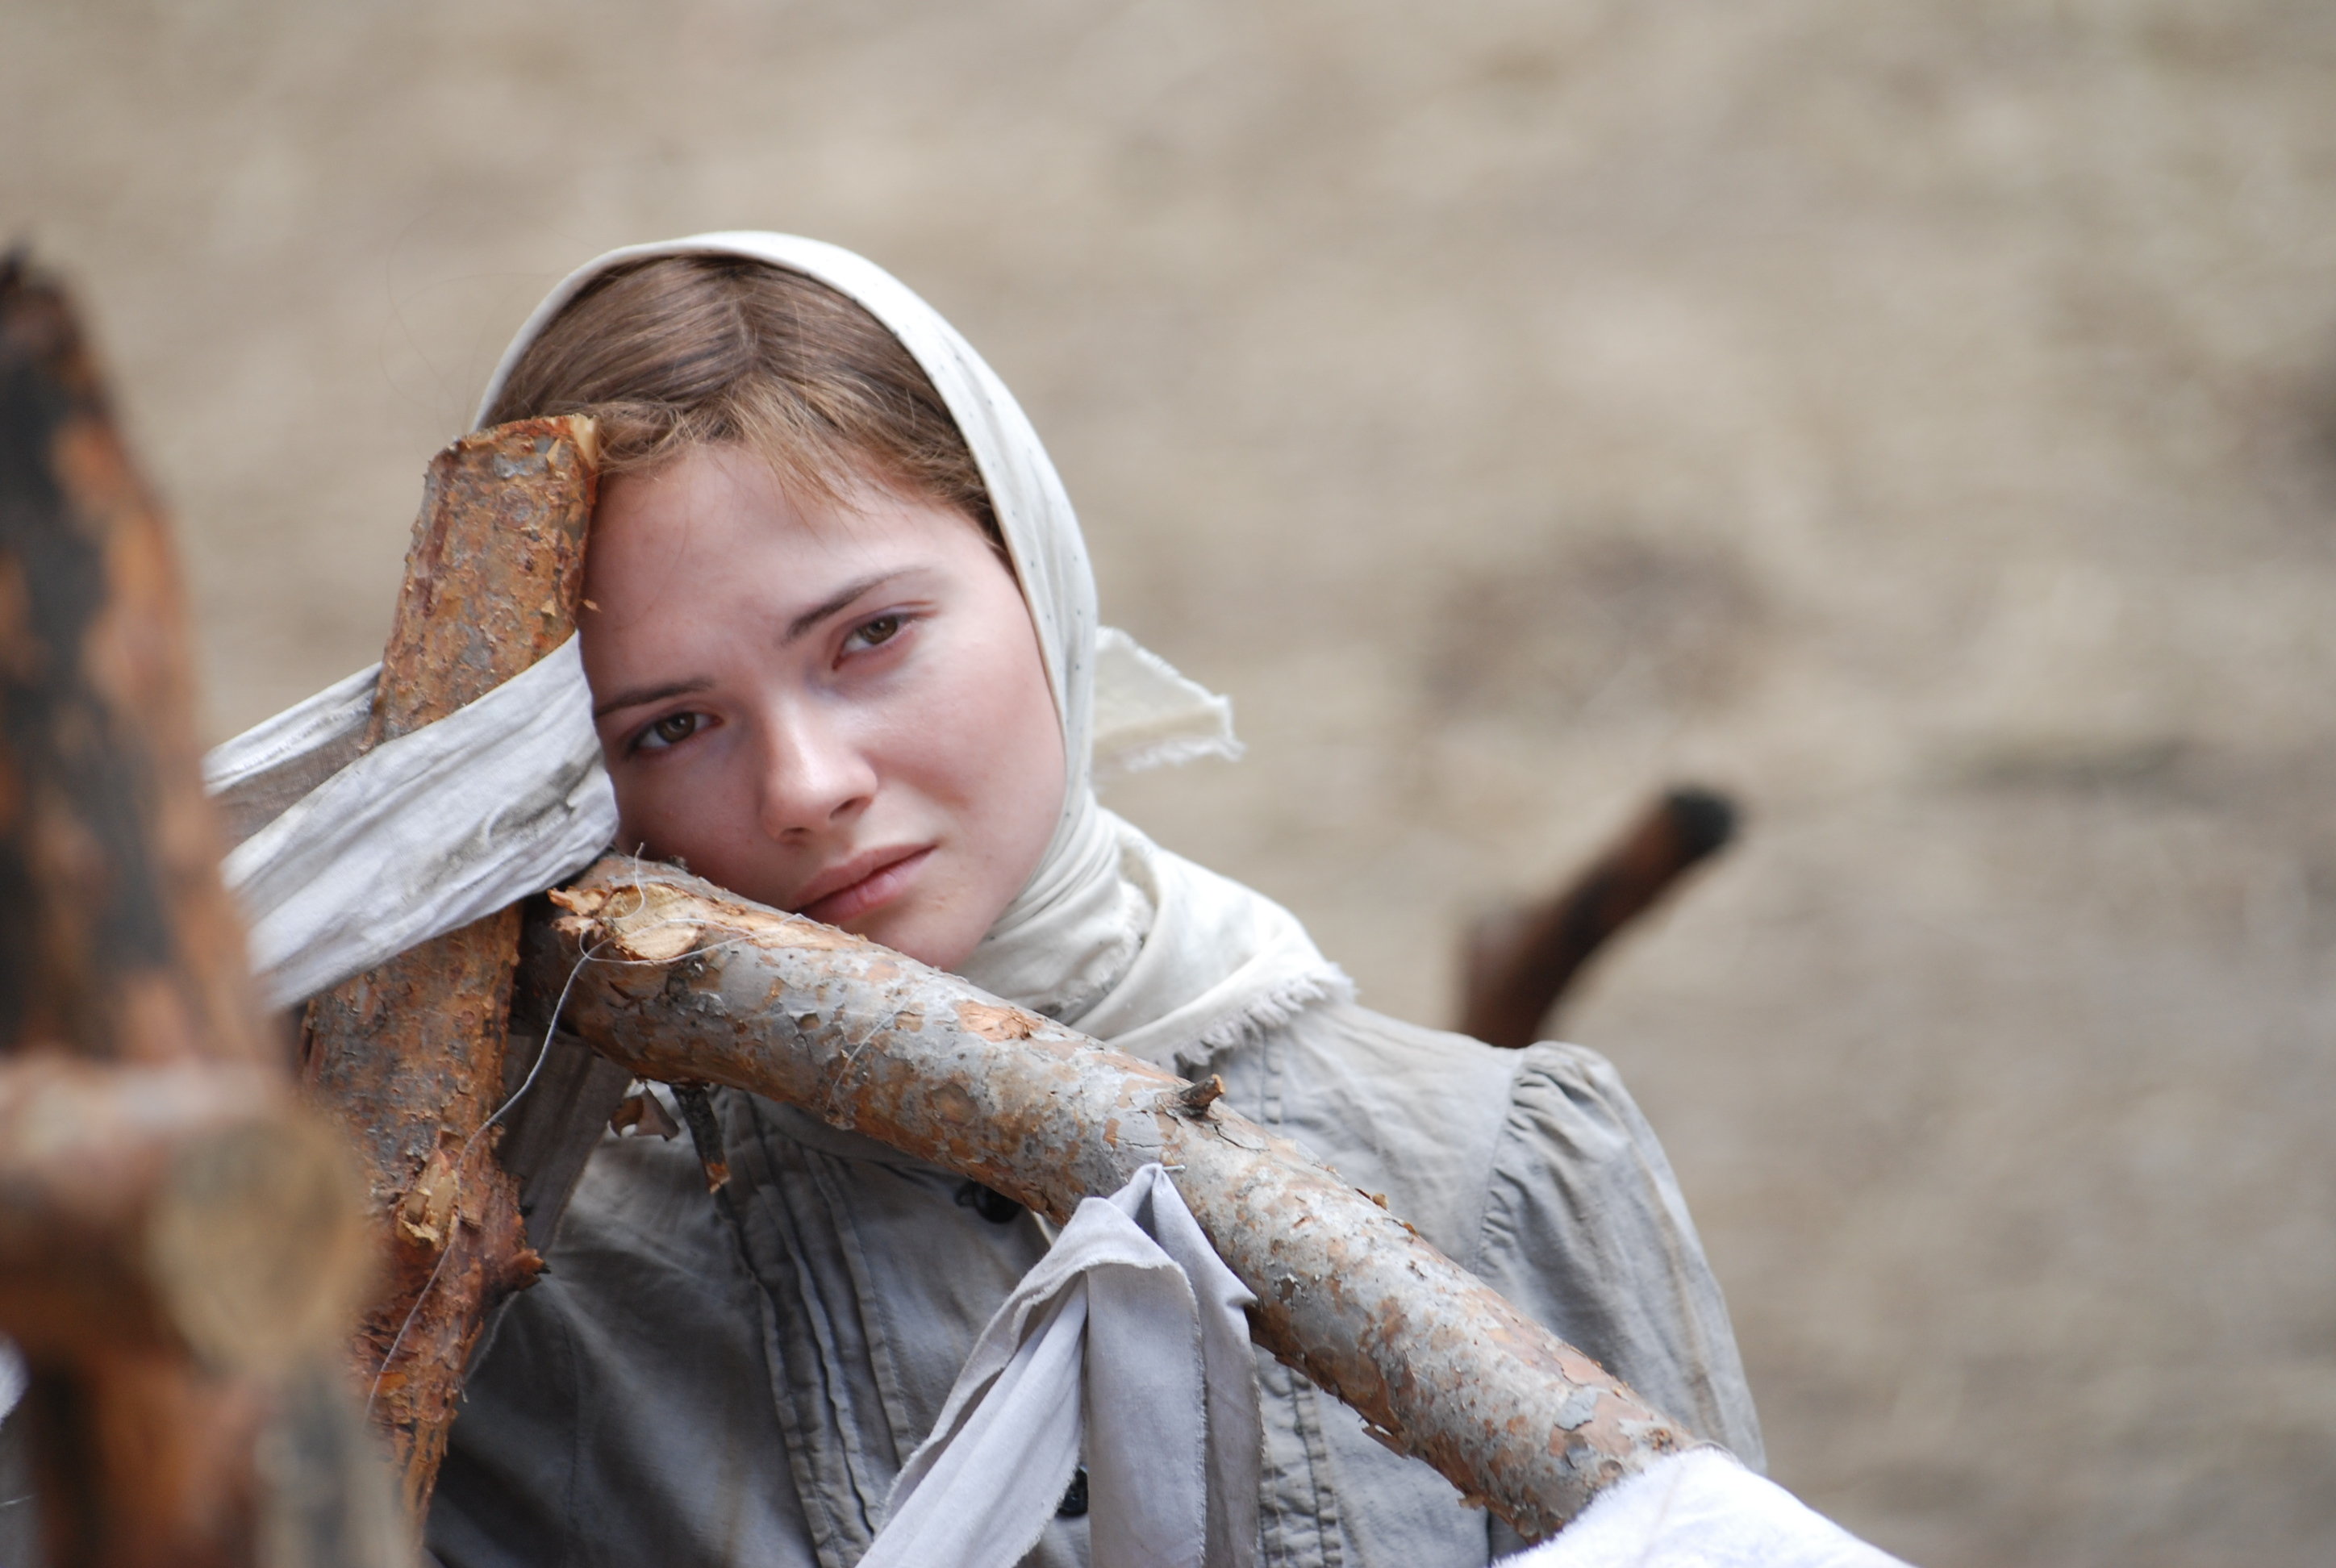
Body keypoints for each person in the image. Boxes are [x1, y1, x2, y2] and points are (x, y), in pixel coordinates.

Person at [414, 233, 1762, 1568]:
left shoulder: (1495, 1171)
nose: (806, 787)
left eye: (869, 636)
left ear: (1036, 571)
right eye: (669, 725)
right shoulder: (509, 1296)